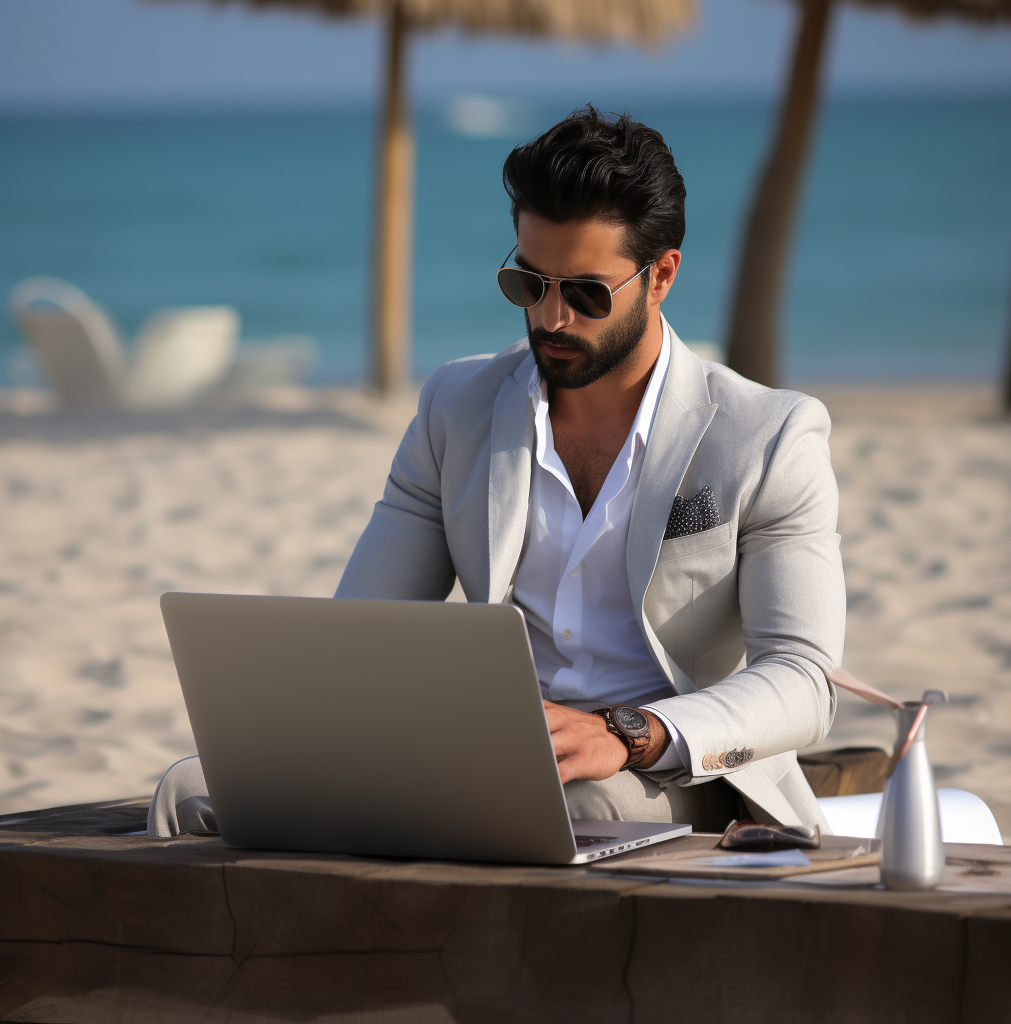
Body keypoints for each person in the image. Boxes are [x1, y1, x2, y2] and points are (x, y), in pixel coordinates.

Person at [149, 106, 844, 838]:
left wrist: (626, 732)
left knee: (575, 809)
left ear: (661, 275)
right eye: (528, 284)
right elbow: (364, 635)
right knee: (191, 790)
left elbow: (802, 680)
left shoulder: (768, 436)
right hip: (490, 749)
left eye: (585, 293)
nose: (550, 318)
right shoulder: (458, 407)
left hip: (670, 768)